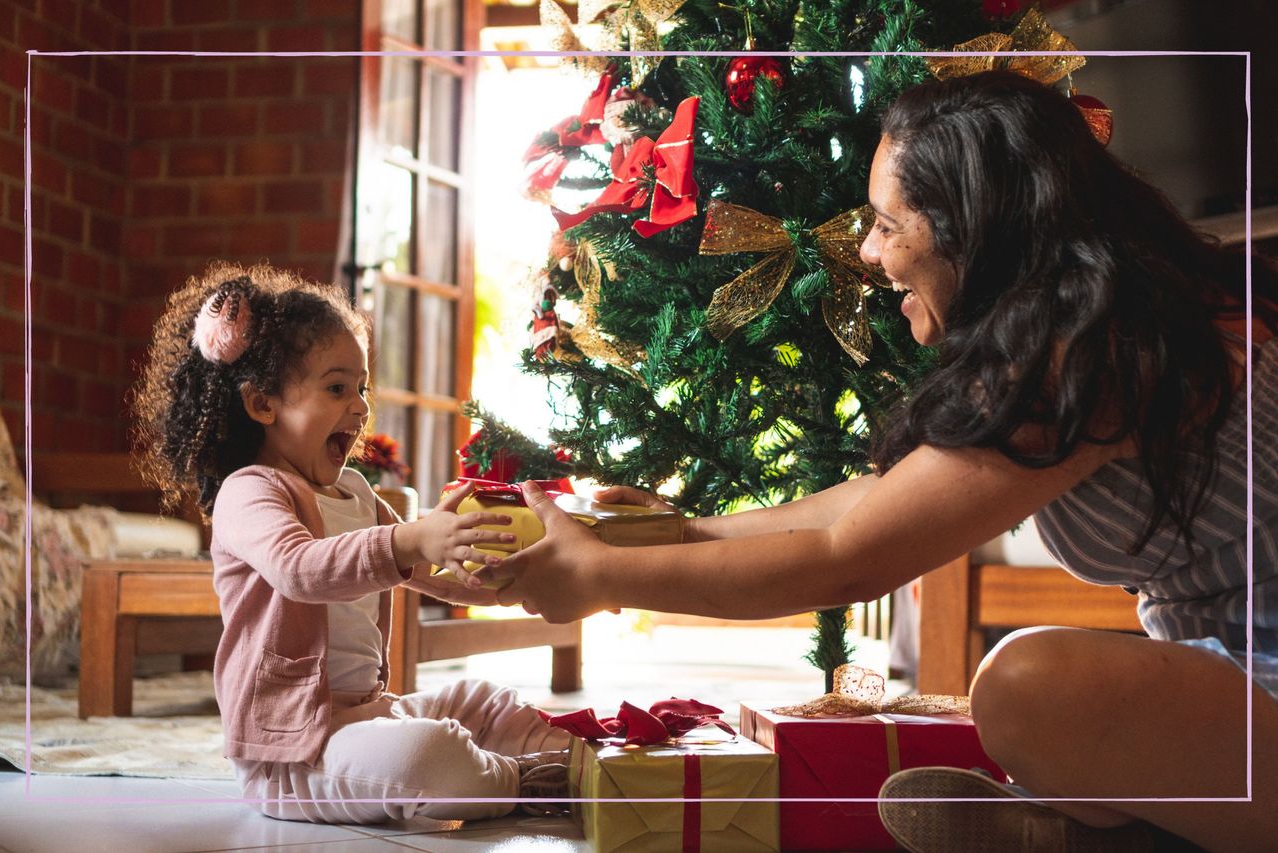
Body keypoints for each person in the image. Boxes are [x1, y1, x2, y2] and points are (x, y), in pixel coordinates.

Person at [481, 71, 1278, 851]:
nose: (866, 250)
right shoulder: (1087, 320)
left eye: (888, 224)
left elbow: (847, 560)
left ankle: (1103, 831)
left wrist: (600, 578)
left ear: (976, 227)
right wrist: (668, 534)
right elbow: (869, 503)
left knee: (1026, 689)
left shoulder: (1092, 349)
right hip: (1229, 667)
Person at [131, 262, 570, 825]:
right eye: (337, 388)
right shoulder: (247, 492)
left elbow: (419, 570)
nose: (360, 407)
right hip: (293, 754)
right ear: (263, 404)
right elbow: (300, 569)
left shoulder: (354, 489)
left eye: (360, 388)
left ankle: (573, 759)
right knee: (427, 754)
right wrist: (412, 538)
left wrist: (499, 584)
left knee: (481, 699)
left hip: (366, 717)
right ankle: (518, 778)